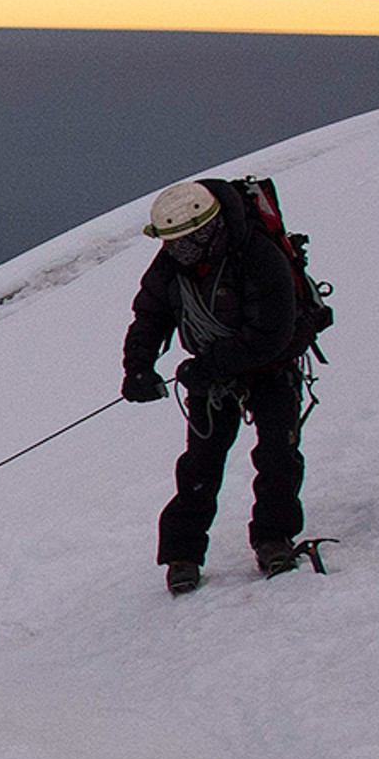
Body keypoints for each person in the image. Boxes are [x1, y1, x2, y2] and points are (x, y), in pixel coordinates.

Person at [122, 178, 305, 595]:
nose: (173, 251)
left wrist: (208, 368)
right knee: (199, 465)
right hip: (210, 374)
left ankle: (273, 538)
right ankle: (182, 557)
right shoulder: (173, 264)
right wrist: (138, 367)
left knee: (278, 453)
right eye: (168, 242)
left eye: (182, 241)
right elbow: (148, 317)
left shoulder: (260, 257)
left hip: (271, 369)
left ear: (206, 230)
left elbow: (272, 334)